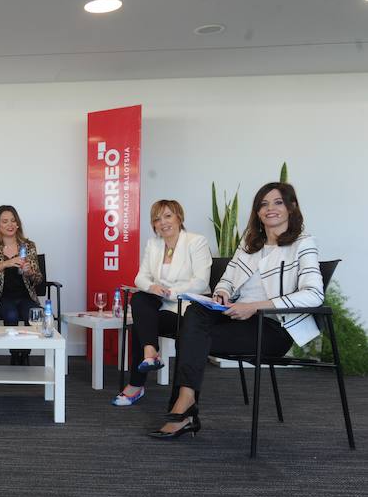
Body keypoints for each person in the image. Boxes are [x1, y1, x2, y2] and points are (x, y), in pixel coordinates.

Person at [151, 182, 324, 438]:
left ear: (292, 207)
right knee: (196, 312)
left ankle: (183, 409)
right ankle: (185, 403)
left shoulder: (303, 243)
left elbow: (314, 294)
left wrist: (252, 307)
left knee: (192, 335)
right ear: (257, 211)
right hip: (236, 317)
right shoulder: (250, 244)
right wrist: (222, 294)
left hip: (273, 327)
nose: (270, 209)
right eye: (263, 204)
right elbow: (228, 281)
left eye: (278, 202)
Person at [111, 200, 211, 406]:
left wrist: (170, 292)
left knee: (141, 322)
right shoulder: (153, 244)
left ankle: (136, 385)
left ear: (179, 218)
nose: (162, 222)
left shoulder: (196, 241)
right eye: (157, 219)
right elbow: (140, 278)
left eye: (168, 216)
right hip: (162, 303)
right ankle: (150, 352)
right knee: (140, 299)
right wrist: (152, 287)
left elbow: (201, 282)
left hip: (188, 307)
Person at [0, 205, 43, 365]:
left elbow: (38, 278)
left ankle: (25, 353)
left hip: (25, 296)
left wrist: (29, 272)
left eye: (13, 221)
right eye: (5, 221)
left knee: (33, 313)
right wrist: (6, 263)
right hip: (1, 298)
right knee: (11, 315)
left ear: (18, 223)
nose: (10, 225)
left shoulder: (28, 246)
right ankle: (14, 353)